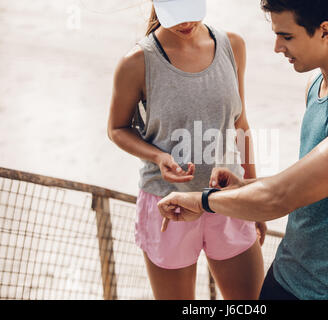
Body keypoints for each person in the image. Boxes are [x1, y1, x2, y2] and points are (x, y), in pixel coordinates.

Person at [157, 0, 328, 300]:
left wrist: (201, 201)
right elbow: (307, 184)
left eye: (287, 36)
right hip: (283, 277)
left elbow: (280, 197)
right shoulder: (317, 85)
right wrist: (245, 187)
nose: (277, 47)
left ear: (324, 32)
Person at [107, 0, 266, 300]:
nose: (185, 23)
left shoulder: (233, 45)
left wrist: (253, 192)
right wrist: (158, 156)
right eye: (176, 14)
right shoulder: (136, 62)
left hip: (228, 199)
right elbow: (116, 128)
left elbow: (240, 125)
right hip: (169, 206)